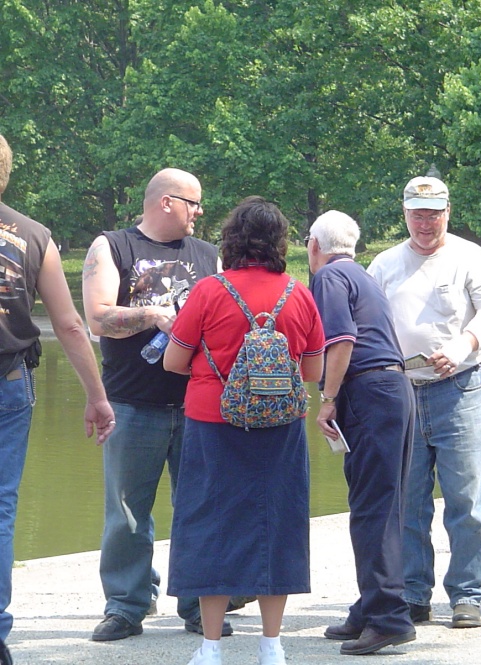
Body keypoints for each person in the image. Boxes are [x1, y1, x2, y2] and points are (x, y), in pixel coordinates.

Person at [163, 196, 325, 665]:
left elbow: (173, 361)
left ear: (231, 239)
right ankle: (271, 645)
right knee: (278, 527)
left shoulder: (209, 291)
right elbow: (312, 371)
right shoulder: (298, 293)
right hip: (281, 426)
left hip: (213, 424)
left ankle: (211, 647)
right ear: (280, 242)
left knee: (210, 527)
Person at [82, 168, 221, 641]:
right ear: (166, 202)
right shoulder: (113, 247)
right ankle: (127, 605)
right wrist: (153, 315)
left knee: (199, 507)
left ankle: (200, 603)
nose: (199, 211)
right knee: (126, 515)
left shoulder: (208, 255)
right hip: (131, 403)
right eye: (193, 202)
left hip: (197, 404)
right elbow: (97, 318)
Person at [367, 176, 481, 629]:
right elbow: (368, 322)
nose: (424, 224)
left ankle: (466, 594)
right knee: (408, 503)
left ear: (448, 212)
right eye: (416, 214)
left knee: (466, 500)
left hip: (460, 389)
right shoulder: (385, 264)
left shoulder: (470, 257)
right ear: (404, 214)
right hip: (403, 393)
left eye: (433, 214)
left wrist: (463, 345)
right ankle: (413, 593)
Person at [0, 133, 115, 661]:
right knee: (1, 508)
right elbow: (69, 325)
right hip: (8, 383)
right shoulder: (33, 236)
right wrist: (97, 397)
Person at [307, 211, 416, 656]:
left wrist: (328, 397)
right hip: (393, 389)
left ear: (314, 245)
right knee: (383, 503)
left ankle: (388, 616)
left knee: (372, 507)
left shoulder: (329, 278)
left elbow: (341, 340)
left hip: (367, 390)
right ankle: (371, 606)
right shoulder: (363, 276)